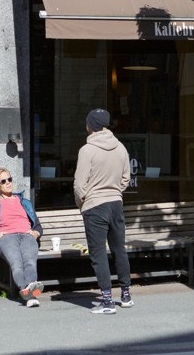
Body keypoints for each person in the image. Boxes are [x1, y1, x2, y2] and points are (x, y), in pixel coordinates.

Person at [73, 108, 132, 314]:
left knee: (98, 253)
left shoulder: (87, 150)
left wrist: (83, 204)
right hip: (116, 204)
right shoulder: (121, 148)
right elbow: (126, 178)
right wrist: (115, 191)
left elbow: (80, 184)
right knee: (119, 250)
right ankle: (125, 294)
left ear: (91, 126)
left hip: (95, 205)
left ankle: (107, 300)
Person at [0, 168, 44, 306]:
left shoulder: (24, 202)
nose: (8, 183)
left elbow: (38, 226)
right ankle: (30, 292)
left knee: (30, 263)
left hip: (27, 236)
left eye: (10, 179)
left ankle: (29, 294)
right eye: (3, 181)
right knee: (17, 264)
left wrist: (36, 233)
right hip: (7, 237)